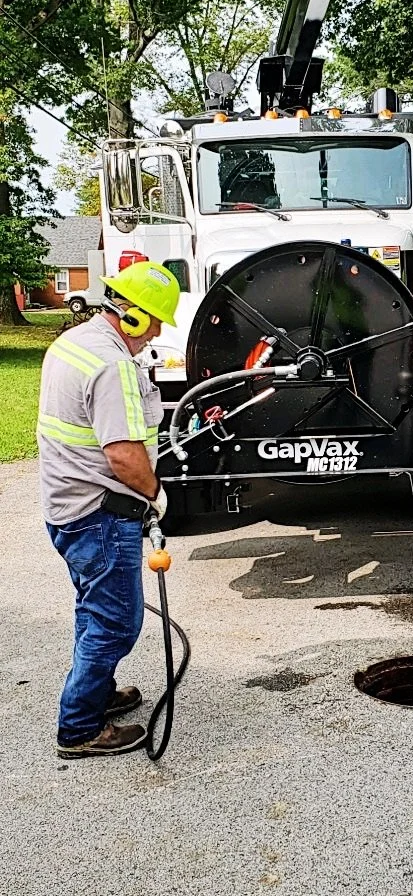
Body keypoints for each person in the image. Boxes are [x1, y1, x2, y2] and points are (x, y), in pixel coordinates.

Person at [37, 260, 180, 758]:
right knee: (117, 622)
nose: (157, 332)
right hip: (98, 512)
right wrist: (156, 493)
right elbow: (121, 454)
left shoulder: (72, 342)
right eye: (157, 321)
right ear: (135, 316)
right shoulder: (112, 363)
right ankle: (78, 729)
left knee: (92, 608)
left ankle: (96, 694)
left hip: (66, 506)